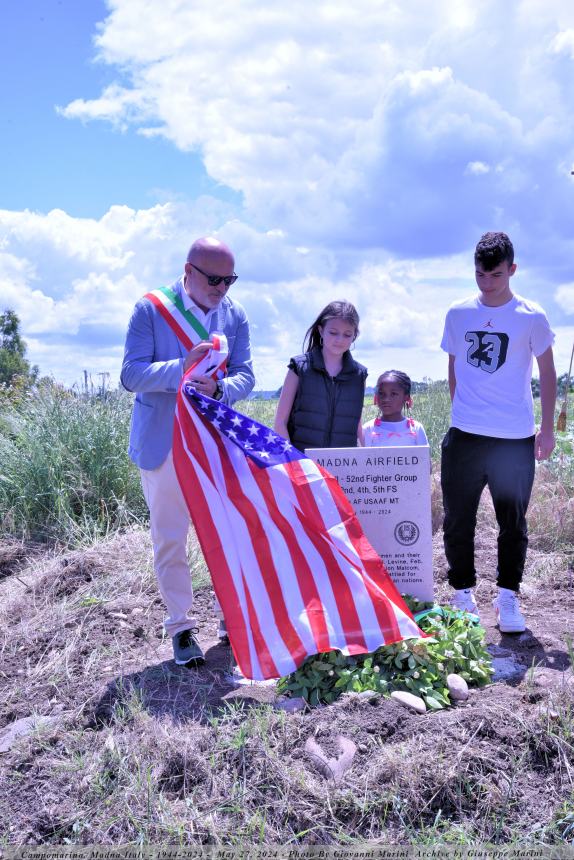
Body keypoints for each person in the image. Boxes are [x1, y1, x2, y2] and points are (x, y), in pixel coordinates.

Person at [121, 237, 255, 667]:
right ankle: (180, 626)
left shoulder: (235, 315)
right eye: (213, 279)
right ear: (188, 270)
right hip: (165, 442)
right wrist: (182, 369)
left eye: (228, 280)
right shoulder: (150, 310)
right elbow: (130, 374)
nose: (221, 288)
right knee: (170, 539)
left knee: (227, 535)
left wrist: (220, 387)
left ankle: (228, 619)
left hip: (214, 443)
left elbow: (247, 375)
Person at [440, 231, 556, 632]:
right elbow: (454, 368)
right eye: (479, 276)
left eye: (495, 276)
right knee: (458, 519)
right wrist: (461, 414)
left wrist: (547, 428)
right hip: (466, 434)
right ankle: (462, 596)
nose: (487, 284)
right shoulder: (458, 313)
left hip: (514, 438)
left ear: (512, 270)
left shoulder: (531, 316)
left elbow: (547, 373)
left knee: (513, 522)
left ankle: (508, 598)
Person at [274, 300, 367, 450]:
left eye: (347, 334)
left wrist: (370, 456)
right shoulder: (299, 368)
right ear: (321, 330)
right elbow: (280, 423)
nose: (339, 340)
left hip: (344, 465)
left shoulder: (359, 375)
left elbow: (357, 425)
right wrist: (295, 462)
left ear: (354, 336)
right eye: (333, 332)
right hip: (303, 465)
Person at [363, 370, 428, 447]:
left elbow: (424, 457)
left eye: (393, 394)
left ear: (406, 397)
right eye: (381, 393)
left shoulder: (416, 429)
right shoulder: (368, 429)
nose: (386, 399)